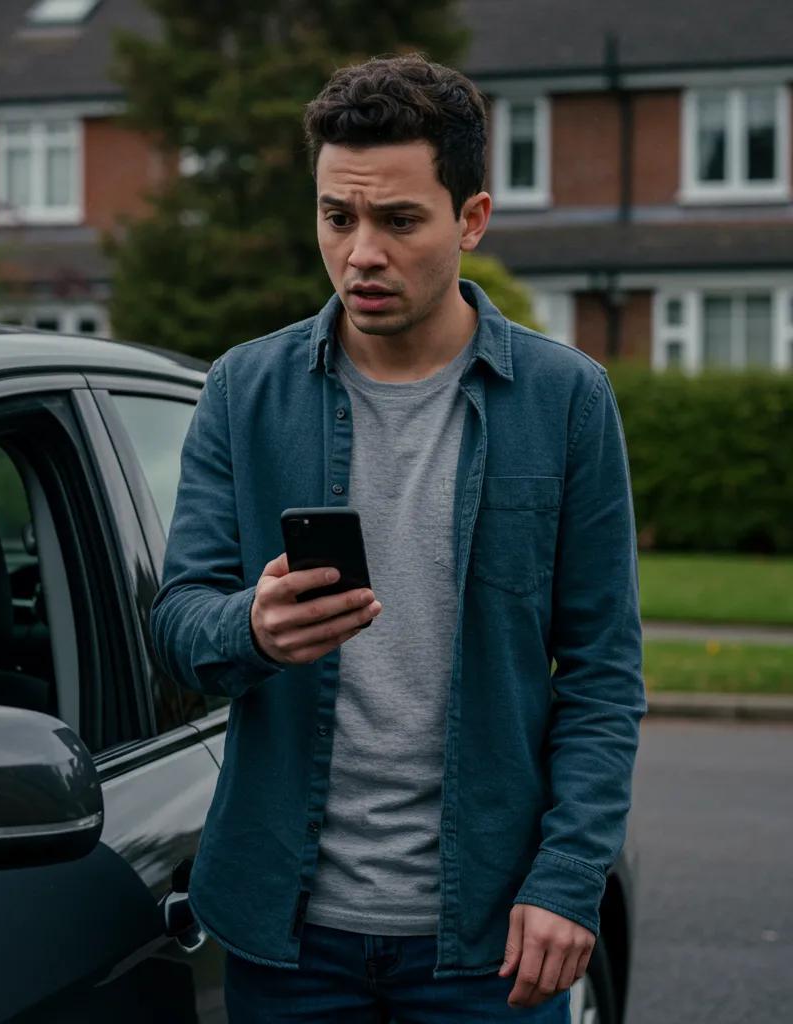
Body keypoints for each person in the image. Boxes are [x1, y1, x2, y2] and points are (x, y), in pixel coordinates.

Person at [150, 53, 646, 1023]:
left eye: (399, 221)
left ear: (471, 219)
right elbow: (177, 624)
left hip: (488, 937)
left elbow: (602, 673)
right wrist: (250, 629)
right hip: (284, 935)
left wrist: (568, 876)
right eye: (337, 217)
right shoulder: (243, 391)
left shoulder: (566, 401)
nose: (361, 253)